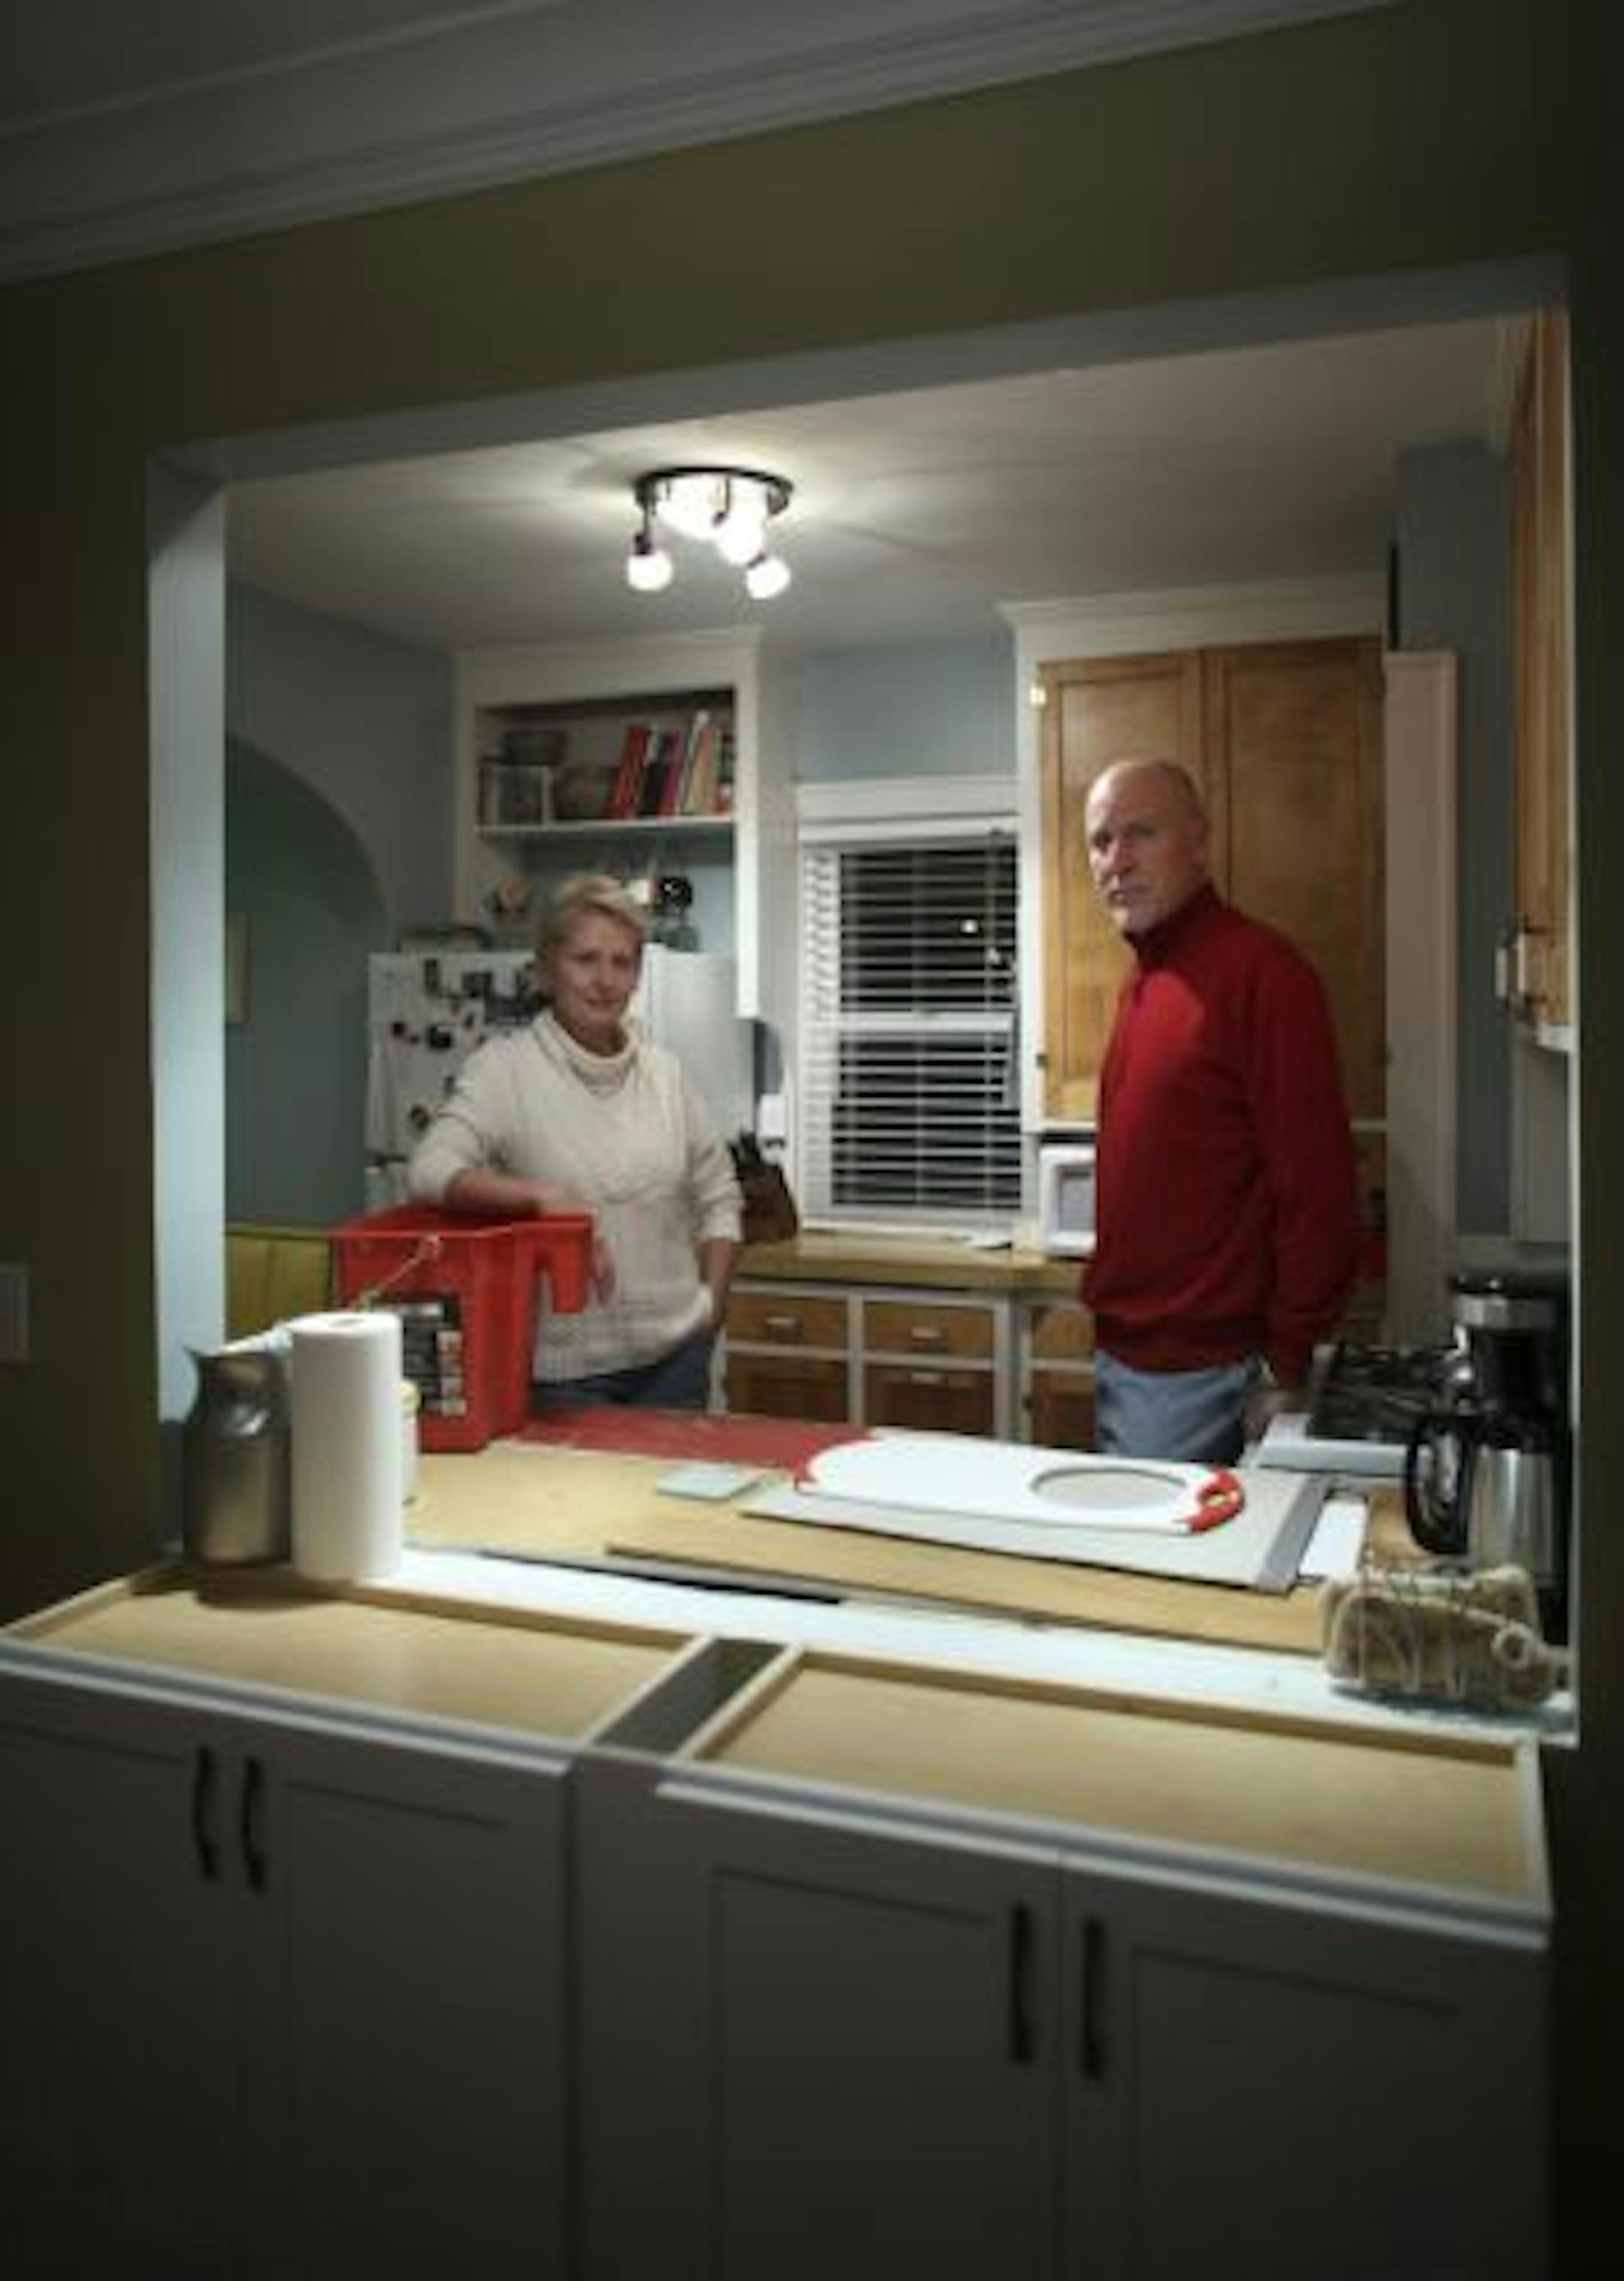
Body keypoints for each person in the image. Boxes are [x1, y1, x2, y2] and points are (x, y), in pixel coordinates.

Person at [1080, 757, 1359, 1465]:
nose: (1117, 861)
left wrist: (1285, 1366)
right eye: (1100, 841)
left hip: (1205, 1376)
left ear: (1200, 842)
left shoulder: (1263, 975)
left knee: (1158, 1574)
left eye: (1140, 833)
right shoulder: (1144, 980)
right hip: (1128, 1361)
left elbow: (1319, 1189)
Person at [408, 872, 743, 1409]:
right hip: (563, 1380)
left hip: (676, 1361)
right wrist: (542, 1198)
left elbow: (720, 1196)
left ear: (637, 975)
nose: (604, 980)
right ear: (546, 970)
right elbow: (429, 1170)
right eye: (585, 960)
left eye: (622, 962)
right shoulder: (505, 1071)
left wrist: (712, 1306)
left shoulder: (666, 1075)